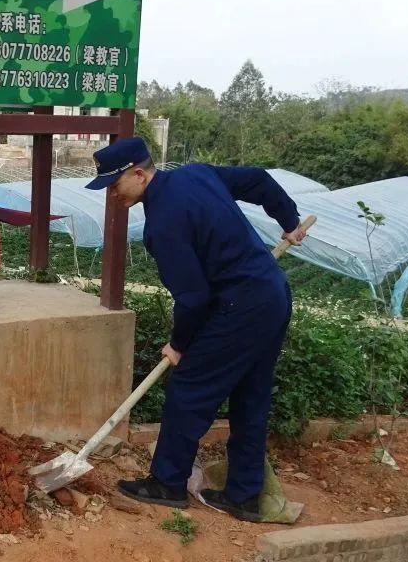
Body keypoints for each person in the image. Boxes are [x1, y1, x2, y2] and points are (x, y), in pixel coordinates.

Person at [92, 137, 308, 522]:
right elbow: (258, 180)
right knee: (251, 395)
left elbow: (193, 297)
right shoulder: (198, 174)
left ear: (139, 175)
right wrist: (288, 220)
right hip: (272, 294)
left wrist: (179, 344)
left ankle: (167, 483)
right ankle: (244, 495)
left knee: (189, 388)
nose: (111, 194)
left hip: (240, 306)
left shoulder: (162, 225)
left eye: (114, 184)